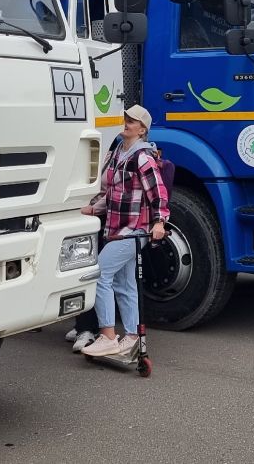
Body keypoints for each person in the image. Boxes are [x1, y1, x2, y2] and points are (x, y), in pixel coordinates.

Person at [79, 105, 169, 357]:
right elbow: (113, 194)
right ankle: (131, 337)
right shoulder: (119, 151)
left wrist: (160, 222)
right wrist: (93, 209)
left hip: (134, 230)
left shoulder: (143, 157)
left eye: (133, 121)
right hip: (116, 228)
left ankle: (108, 336)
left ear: (142, 130)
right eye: (126, 118)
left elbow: (158, 193)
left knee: (100, 274)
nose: (126, 123)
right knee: (124, 284)